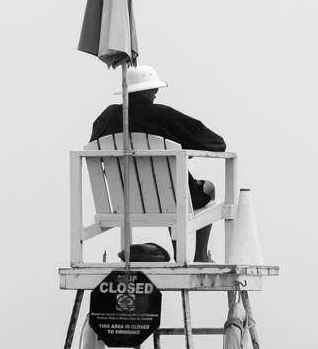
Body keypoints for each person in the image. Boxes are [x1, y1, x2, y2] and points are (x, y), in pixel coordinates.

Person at [90, 64, 226, 264]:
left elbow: (95, 150)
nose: (155, 93)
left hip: (124, 200)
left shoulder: (107, 116)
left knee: (171, 194)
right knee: (197, 189)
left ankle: (181, 254)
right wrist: (183, 150)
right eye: (154, 89)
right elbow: (217, 143)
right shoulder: (163, 114)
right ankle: (200, 255)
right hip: (170, 197)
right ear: (145, 91)